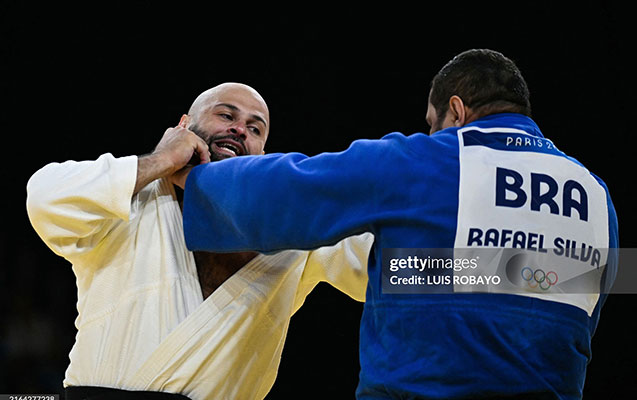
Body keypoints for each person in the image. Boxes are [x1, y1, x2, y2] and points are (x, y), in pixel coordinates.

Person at [176, 50, 619, 399]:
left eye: (433, 124)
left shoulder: (424, 160)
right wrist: (404, 272)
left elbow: (292, 187)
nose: (430, 135)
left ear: (457, 111)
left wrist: (193, 174)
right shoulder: (597, 195)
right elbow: (551, 284)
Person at [26, 82, 373, 399]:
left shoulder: (289, 229)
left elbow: (387, 268)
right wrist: (162, 160)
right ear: (183, 126)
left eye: (255, 129)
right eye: (226, 115)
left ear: (262, 156)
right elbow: (44, 198)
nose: (239, 129)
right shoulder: (127, 202)